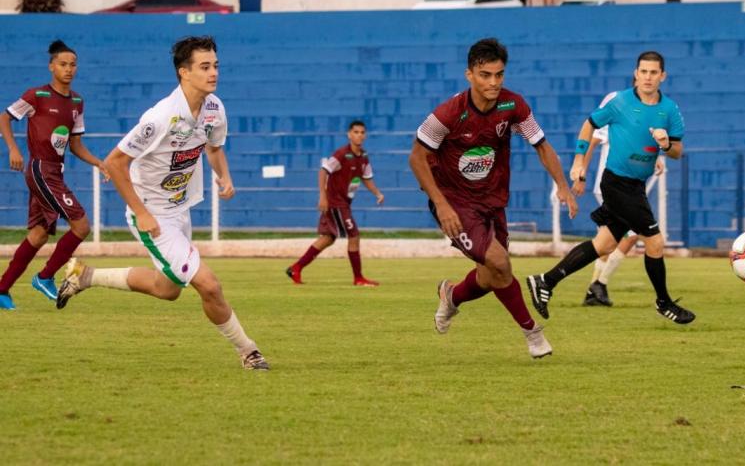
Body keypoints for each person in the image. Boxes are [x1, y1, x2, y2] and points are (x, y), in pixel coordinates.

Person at [56, 36, 270, 370]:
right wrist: (142, 213)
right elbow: (114, 163)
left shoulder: (214, 108)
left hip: (179, 210)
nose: (213, 72)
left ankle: (85, 276)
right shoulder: (161, 117)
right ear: (184, 72)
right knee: (209, 286)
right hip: (152, 214)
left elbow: (213, 148)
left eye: (215, 65)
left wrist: (224, 176)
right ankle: (249, 351)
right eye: (204, 67)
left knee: (167, 289)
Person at [408, 38, 577, 360]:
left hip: (493, 201)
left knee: (492, 275)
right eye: (485, 75)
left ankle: (451, 295)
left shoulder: (513, 106)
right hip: (454, 203)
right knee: (500, 262)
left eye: (499, 75)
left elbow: (541, 144)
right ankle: (532, 334)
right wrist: (441, 204)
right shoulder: (447, 114)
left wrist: (563, 185)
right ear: (469, 74)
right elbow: (416, 158)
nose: (493, 82)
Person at [527, 51, 695, 325]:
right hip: (616, 183)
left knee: (603, 244)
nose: (648, 77)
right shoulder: (620, 102)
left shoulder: (670, 110)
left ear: (662, 76)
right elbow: (590, 124)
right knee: (654, 240)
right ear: (636, 73)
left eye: (654, 72)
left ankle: (545, 281)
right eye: (643, 71)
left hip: (636, 186)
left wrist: (665, 146)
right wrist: (580, 161)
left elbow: (677, 150)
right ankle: (664, 302)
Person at [0, 40, 108, 310]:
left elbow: (75, 145)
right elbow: (4, 117)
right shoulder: (36, 95)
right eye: (63, 64)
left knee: (37, 236)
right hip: (40, 170)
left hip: (54, 174)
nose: (68, 69)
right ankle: (45, 277)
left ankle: (1, 290)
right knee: (81, 226)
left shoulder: (77, 102)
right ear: (51, 67)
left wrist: (99, 163)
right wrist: (14, 149)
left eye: (73, 65)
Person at [579, 92, 665, 307]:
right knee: (632, 234)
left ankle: (594, 287)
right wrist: (581, 171)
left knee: (611, 239)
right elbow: (593, 138)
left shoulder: (643, 111)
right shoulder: (617, 102)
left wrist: (654, 158)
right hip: (612, 185)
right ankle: (597, 284)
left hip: (625, 186)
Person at [286, 120, 385, 286]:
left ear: (365, 135)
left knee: (328, 238)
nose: (359, 135)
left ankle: (296, 268)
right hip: (336, 204)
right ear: (349, 134)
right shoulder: (341, 154)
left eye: (362, 132)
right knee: (354, 236)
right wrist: (323, 197)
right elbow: (323, 171)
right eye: (356, 132)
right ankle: (358, 278)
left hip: (344, 203)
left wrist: (377, 193)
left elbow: (366, 178)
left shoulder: (364, 157)